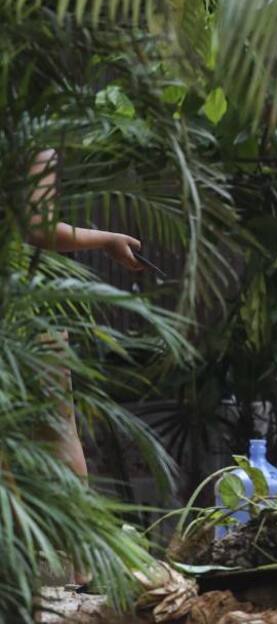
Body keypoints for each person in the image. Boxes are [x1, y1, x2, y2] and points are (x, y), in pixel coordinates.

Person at [25, 149, 144, 480]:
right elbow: (38, 227)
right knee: (57, 443)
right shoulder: (28, 130)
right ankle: (70, 531)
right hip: (20, 318)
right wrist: (106, 241)